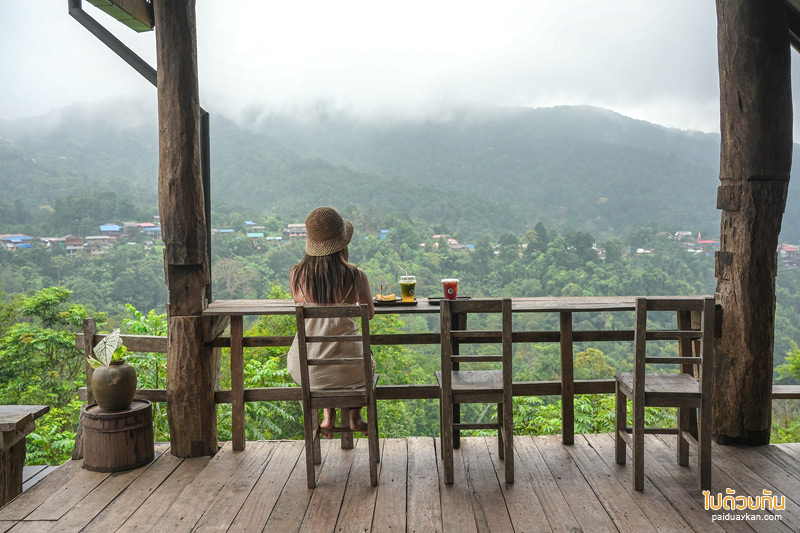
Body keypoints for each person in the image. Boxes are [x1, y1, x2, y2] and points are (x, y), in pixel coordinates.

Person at [287, 206, 375, 436]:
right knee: (350, 355)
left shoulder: (295, 275)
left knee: (322, 351)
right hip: (352, 370)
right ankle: (355, 417)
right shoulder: (356, 275)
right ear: (342, 243)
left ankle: (328, 418)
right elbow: (369, 314)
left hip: (307, 370)